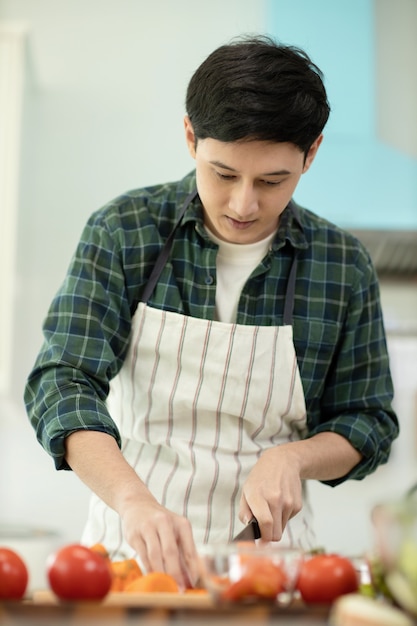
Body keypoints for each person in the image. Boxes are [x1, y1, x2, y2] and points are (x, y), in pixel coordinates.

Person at [24, 34, 399, 589]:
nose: (244, 204)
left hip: (273, 571)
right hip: (129, 557)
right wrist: (133, 499)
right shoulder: (124, 231)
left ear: (311, 153)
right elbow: (63, 380)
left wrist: (296, 458)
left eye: (273, 181)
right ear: (190, 137)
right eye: (223, 174)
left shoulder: (341, 265)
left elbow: (368, 421)